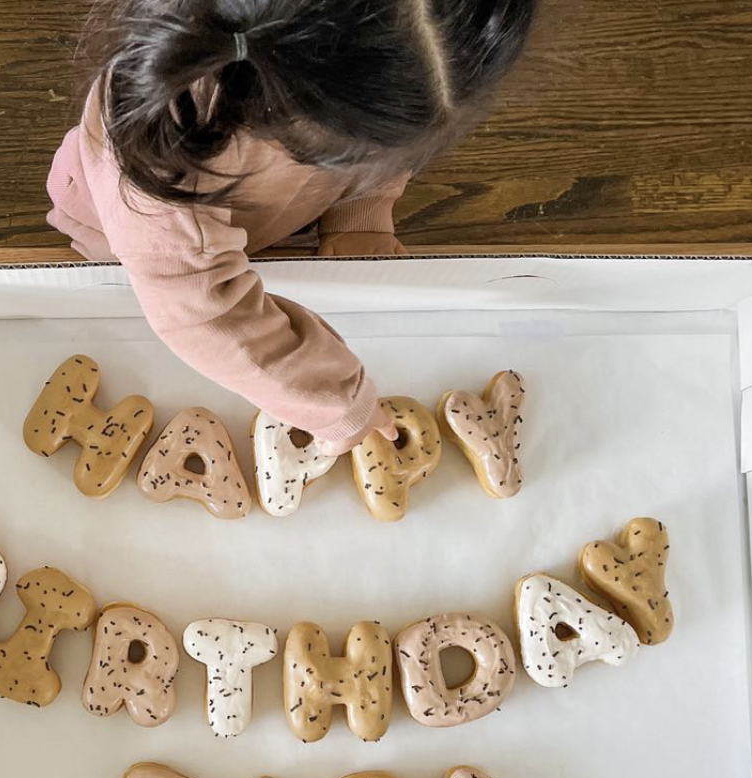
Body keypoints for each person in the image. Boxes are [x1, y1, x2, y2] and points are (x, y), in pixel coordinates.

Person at [46, 0, 537, 453]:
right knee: (147, 276)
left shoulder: (382, 58)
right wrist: (338, 403)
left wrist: (360, 213)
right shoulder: (163, 164)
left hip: (264, 211)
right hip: (135, 242)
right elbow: (201, 309)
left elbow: (381, 153)